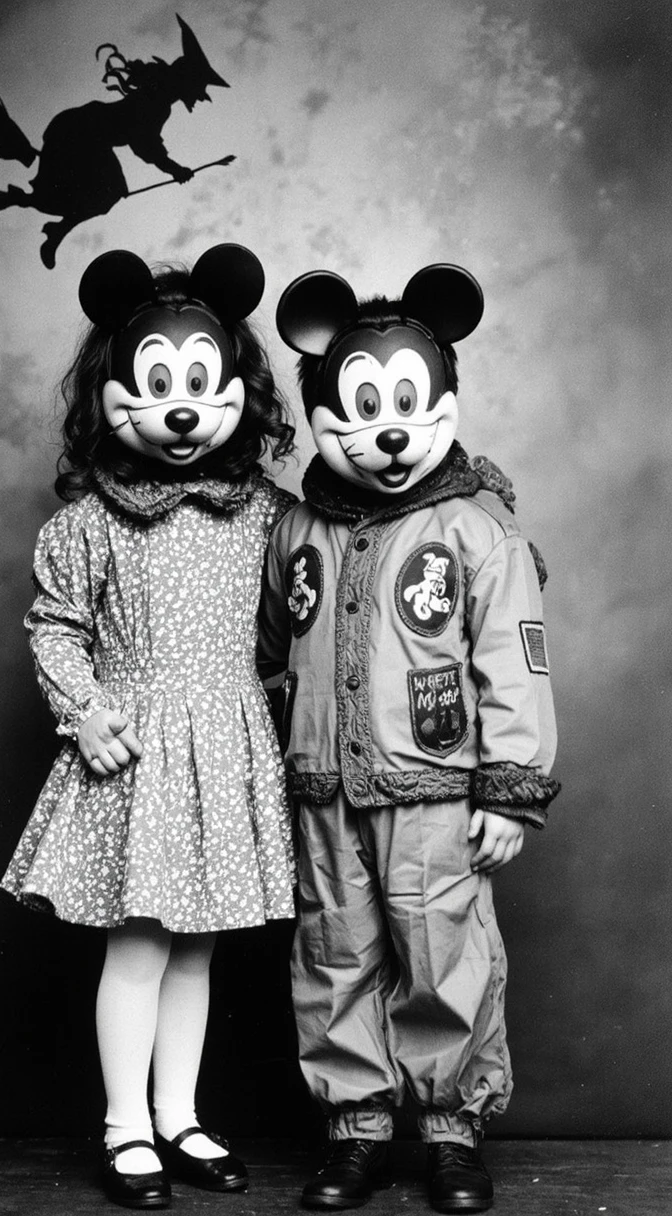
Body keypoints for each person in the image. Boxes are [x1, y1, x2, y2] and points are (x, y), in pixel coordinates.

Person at [260, 264, 560, 1213]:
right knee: (333, 952)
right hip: (322, 789)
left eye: (406, 403)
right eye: (358, 408)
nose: (386, 430)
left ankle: (448, 1130)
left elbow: (516, 663)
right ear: (319, 417)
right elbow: (268, 646)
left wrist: (511, 786)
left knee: (442, 953)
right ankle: (354, 1129)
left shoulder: (479, 531)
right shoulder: (295, 526)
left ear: (446, 401)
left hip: (436, 787)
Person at [1, 244, 296, 1209]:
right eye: (157, 384)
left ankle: (182, 1115)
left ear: (238, 394)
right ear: (112, 391)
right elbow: (55, 628)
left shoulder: (260, 513)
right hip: (137, 751)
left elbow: (328, 568)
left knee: (198, 946)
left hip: (228, 742)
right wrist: (85, 716)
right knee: (139, 944)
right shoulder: (90, 523)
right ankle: (125, 1125)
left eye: (200, 385)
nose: (178, 408)